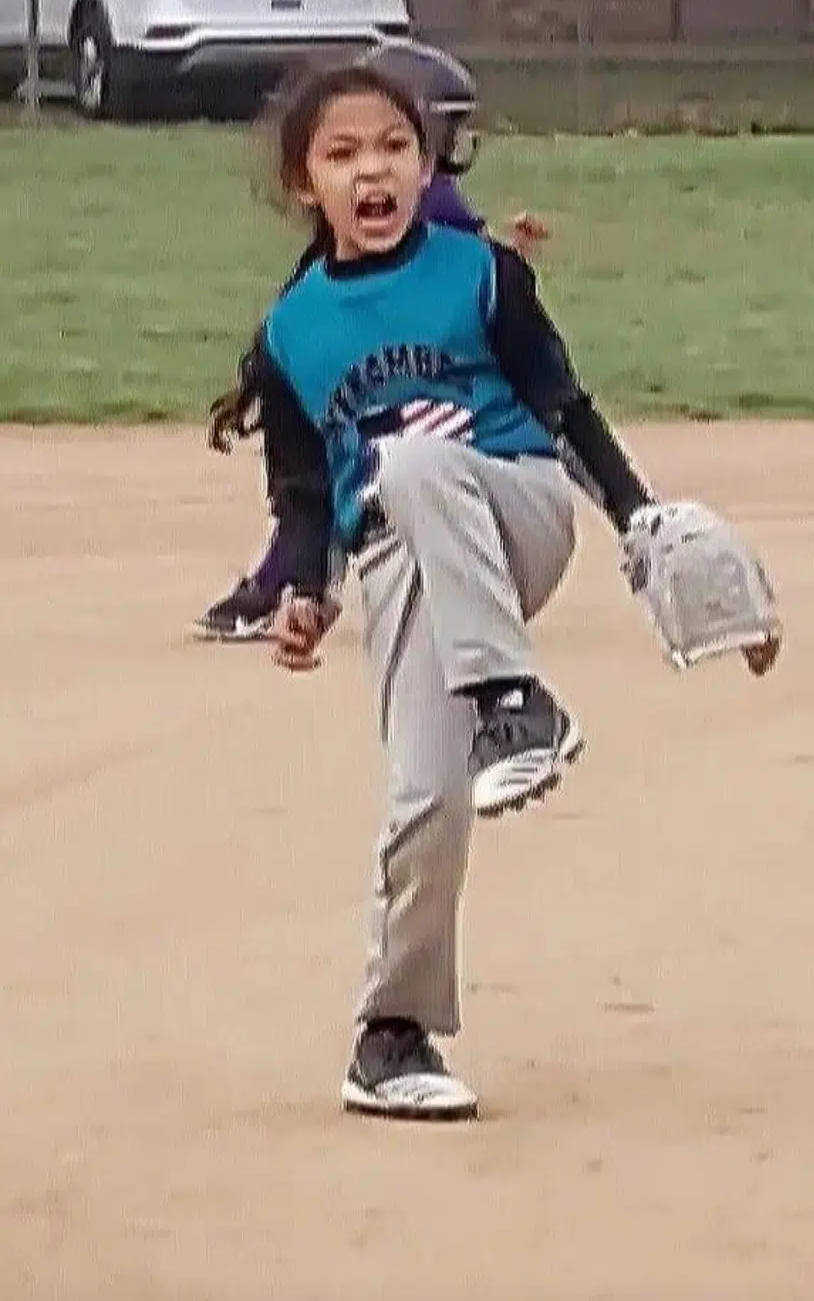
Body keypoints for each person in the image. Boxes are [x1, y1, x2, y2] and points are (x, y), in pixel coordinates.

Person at [254, 59, 657, 1123]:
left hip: (516, 511)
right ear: (305, 184)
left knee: (421, 459)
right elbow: (305, 497)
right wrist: (304, 591)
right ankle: (391, 1034)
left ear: (425, 164)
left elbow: (561, 405)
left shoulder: (480, 273)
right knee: (427, 798)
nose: (370, 168)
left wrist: (638, 516)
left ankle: (509, 702)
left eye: (391, 146)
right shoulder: (290, 333)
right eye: (341, 154)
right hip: (400, 563)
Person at [194, 41, 551, 641]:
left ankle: (283, 586)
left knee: (346, 470)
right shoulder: (416, 191)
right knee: (345, 469)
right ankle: (292, 584)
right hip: (403, 399)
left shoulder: (412, 193)